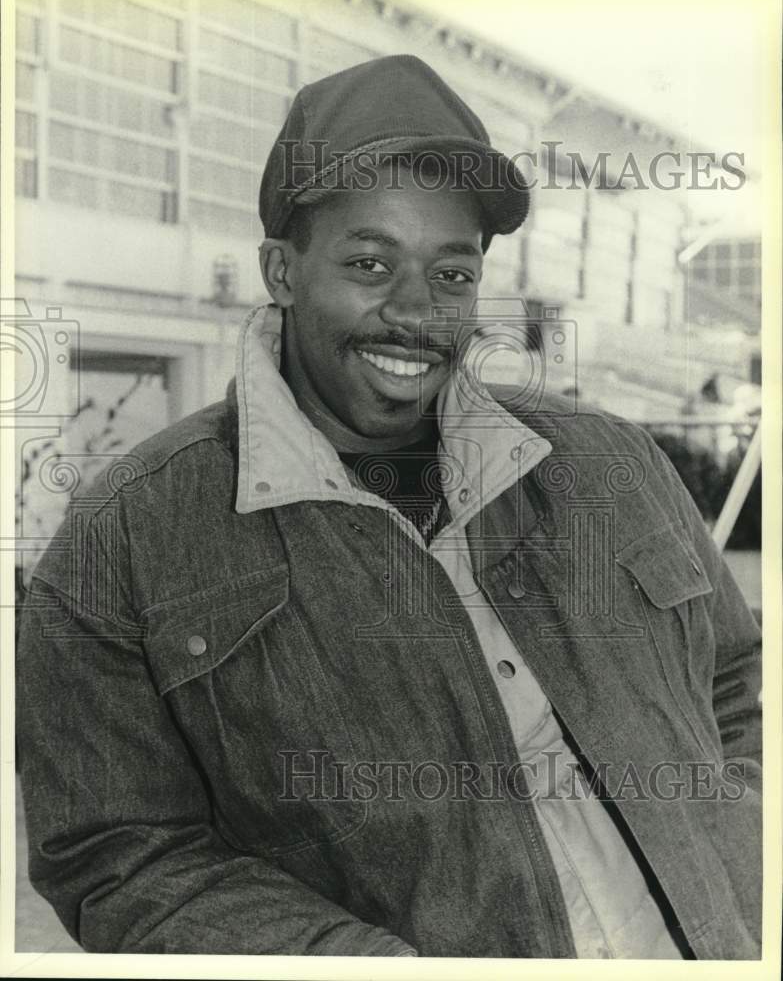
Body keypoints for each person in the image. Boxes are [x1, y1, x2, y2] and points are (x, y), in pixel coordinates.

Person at [16, 55, 761, 959]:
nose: (415, 312)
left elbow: (728, 679)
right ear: (281, 273)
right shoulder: (121, 544)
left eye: (451, 275)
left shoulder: (605, 461)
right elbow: (117, 856)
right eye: (369, 262)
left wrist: (737, 868)